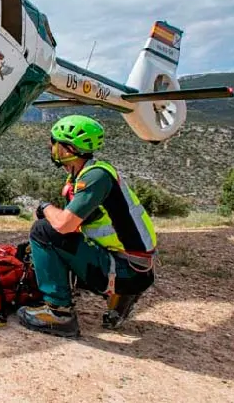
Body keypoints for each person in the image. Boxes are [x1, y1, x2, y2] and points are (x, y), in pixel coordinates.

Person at [17, 114, 157, 338]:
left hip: (126, 270)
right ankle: (120, 297)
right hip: (135, 266)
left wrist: (44, 208)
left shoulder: (95, 178)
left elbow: (63, 226)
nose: (50, 147)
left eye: (54, 142)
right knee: (45, 244)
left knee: (42, 230)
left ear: (68, 149)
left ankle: (59, 313)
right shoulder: (89, 175)